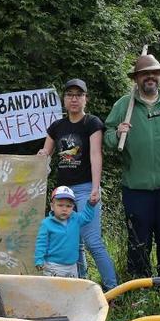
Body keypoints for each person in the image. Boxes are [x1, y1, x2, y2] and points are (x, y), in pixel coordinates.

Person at [104, 54, 160, 278]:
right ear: (137, 78)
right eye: (144, 74)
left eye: (154, 73)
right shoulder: (124, 105)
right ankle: (139, 282)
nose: (150, 77)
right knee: (138, 239)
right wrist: (116, 133)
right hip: (136, 187)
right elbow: (107, 138)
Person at [39, 79, 118, 290]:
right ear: (64, 100)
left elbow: (95, 155)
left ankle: (113, 289)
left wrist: (95, 187)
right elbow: (45, 153)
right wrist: (41, 155)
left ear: (85, 99)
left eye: (79, 95)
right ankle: (81, 285)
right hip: (63, 192)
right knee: (75, 242)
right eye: (70, 95)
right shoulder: (57, 127)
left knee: (92, 240)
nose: (74, 99)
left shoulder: (91, 123)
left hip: (85, 189)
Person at [34, 186, 96, 278]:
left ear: (73, 207)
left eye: (68, 206)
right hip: (53, 266)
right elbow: (41, 243)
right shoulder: (46, 223)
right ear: (52, 206)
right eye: (60, 205)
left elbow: (87, 217)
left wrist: (90, 205)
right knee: (54, 290)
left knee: (71, 290)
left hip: (72, 266)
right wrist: (39, 260)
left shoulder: (76, 218)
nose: (64, 209)